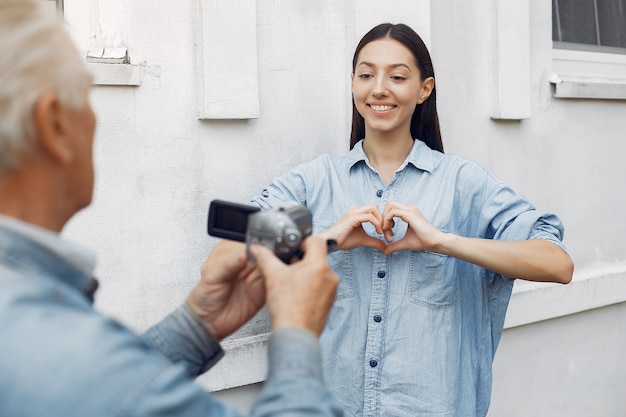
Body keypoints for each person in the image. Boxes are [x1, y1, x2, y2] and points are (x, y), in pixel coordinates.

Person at [0, 1, 343, 416]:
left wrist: (197, 326)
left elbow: (104, 399)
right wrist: (297, 335)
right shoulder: (59, 346)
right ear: (54, 124)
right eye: (86, 94)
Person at [216, 23, 574, 416]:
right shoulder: (313, 182)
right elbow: (221, 259)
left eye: (398, 76)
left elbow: (557, 264)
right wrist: (326, 240)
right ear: (353, 84)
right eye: (367, 75)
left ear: (425, 88)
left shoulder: (464, 184)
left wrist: (442, 241)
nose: (379, 88)